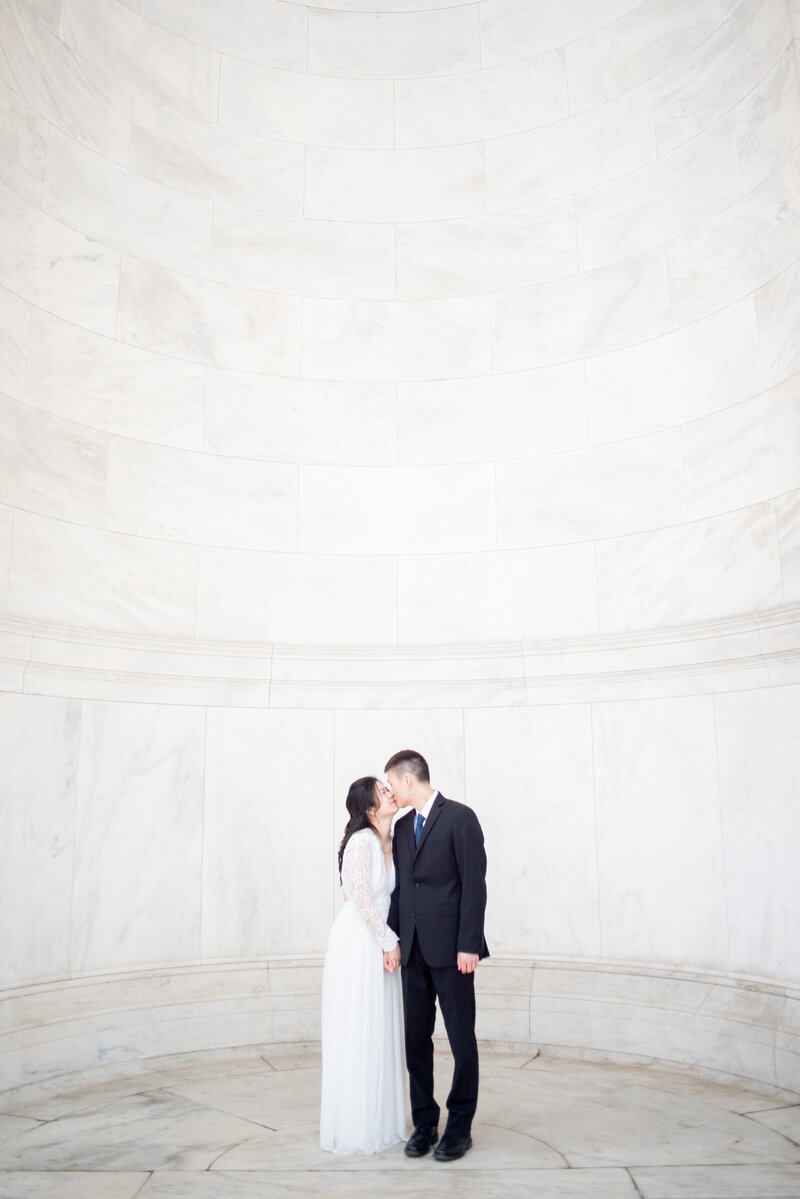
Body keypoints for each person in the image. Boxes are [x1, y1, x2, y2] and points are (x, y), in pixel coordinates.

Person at [384, 749, 488, 1162]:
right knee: (415, 1040)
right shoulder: (404, 825)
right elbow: (401, 890)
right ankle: (425, 1123)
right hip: (412, 952)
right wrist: (392, 941)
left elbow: (474, 885)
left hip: (453, 952)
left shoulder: (461, 818)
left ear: (408, 779)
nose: (390, 790)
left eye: (391, 782)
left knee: (462, 1040)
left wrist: (469, 943)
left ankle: (459, 1128)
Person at [319, 776, 406, 1155]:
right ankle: (357, 1125)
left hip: (382, 939)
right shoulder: (362, 841)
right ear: (369, 807)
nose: (390, 792)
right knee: (360, 1024)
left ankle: (381, 1119)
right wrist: (387, 940)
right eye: (382, 790)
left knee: (380, 1026)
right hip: (361, 941)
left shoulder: (390, 840)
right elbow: (356, 897)